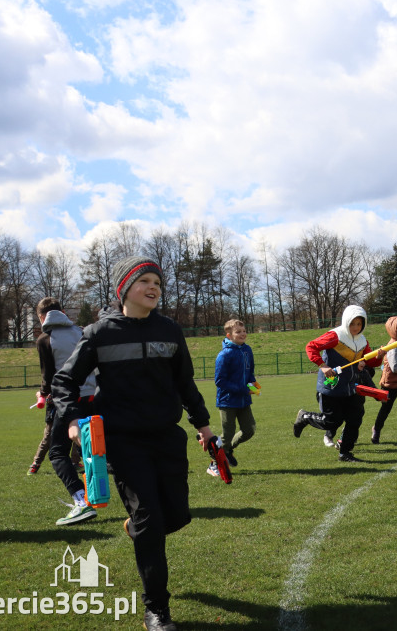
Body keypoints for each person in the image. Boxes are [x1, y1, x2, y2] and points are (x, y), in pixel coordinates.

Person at [53, 256, 216, 631]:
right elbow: (64, 382)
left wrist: (204, 425)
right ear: (124, 289)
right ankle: (156, 609)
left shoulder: (171, 330)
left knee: (177, 515)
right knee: (151, 521)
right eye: (144, 280)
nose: (154, 287)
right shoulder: (99, 333)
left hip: (167, 438)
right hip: (124, 442)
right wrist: (75, 421)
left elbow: (185, 383)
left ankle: (137, 528)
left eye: (157, 281)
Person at [34, 298, 97, 525]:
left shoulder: (45, 340)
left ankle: (81, 501)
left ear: (42, 317)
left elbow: (48, 376)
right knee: (92, 450)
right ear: (62, 312)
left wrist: (42, 394)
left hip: (67, 400)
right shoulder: (82, 331)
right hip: (93, 396)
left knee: (58, 453)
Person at [293, 305, 385, 462]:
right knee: (332, 421)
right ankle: (305, 417)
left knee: (355, 417)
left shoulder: (362, 341)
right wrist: (323, 366)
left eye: (359, 324)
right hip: (331, 386)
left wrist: (380, 355)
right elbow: (311, 346)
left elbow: (370, 362)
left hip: (350, 387)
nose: (356, 327)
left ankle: (345, 453)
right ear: (346, 321)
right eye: (352, 323)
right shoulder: (335, 336)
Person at [212, 318, 258, 473]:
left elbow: (250, 372)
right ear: (229, 335)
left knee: (249, 430)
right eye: (238, 332)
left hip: (244, 400)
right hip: (227, 401)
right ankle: (214, 464)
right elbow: (220, 381)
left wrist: (253, 385)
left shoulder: (247, 350)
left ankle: (227, 450)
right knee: (227, 434)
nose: (243, 334)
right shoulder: (224, 355)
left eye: (244, 331)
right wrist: (243, 389)